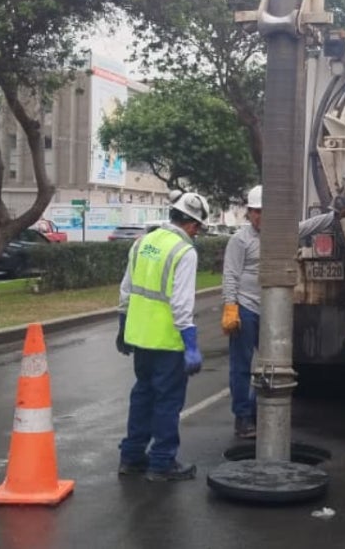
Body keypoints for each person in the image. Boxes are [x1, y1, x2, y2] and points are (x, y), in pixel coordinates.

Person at [221, 185, 345, 439]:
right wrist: (230, 306)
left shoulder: (282, 235)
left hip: (271, 311)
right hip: (245, 309)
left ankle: (261, 412)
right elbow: (230, 275)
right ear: (249, 213)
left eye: (264, 211)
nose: (260, 216)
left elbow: (310, 226)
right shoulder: (240, 240)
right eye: (256, 212)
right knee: (241, 367)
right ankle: (243, 417)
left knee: (272, 366)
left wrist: (337, 214)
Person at [115, 190, 210, 481]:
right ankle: (162, 463)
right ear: (192, 225)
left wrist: (123, 326)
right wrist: (191, 345)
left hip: (140, 337)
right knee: (168, 401)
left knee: (142, 395)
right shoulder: (184, 251)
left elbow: (127, 288)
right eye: (198, 229)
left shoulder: (143, 242)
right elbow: (181, 305)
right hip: (168, 341)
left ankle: (131, 457)